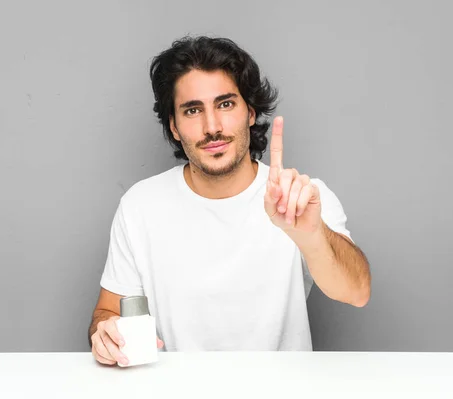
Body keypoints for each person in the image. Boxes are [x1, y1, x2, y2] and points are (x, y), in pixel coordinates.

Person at [88, 36, 371, 366]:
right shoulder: (140, 206)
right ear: (174, 127)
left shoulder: (302, 198)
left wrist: (311, 235)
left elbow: (357, 290)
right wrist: (106, 334)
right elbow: (107, 312)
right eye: (192, 110)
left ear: (250, 112)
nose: (212, 127)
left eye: (225, 104)